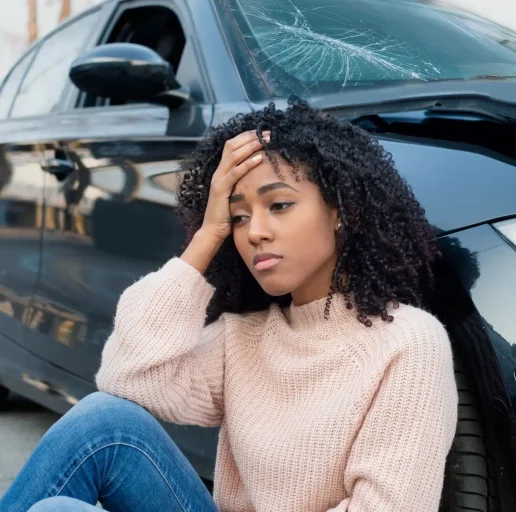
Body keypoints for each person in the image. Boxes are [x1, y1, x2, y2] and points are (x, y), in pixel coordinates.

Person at [1, 100, 458, 512]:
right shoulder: (245, 337)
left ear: (344, 211)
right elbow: (127, 376)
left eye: (279, 205)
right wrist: (206, 236)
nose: (254, 231)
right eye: (238, 216)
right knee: (101, 421)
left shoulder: (408, 344)